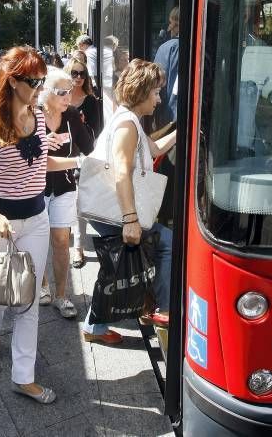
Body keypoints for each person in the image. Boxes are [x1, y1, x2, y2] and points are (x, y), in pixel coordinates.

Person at [0, 46, 80, 404]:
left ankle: (23, 377)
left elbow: (40, 164)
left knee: (26, 302)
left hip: (37, 219)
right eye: (34, 80)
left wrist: (79, 161)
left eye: (43, 79)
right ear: (12, 80)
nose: (40, 87)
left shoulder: (38, 117)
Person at [82, 59, 177, 344]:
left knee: (124, 263)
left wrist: (184, 129)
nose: (159, 100)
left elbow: (156, 147)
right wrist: (131, 219)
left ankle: (100, 325)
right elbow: (121, 170)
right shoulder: (127, 125)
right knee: (161, 246)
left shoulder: (129, 118)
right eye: (156, 92)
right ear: (142, 91)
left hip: (112, 207)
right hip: (114, 209)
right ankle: (162, 309)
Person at [38, 67, 94, 318]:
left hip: (64, 186)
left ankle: (62, 295)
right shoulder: (32, 114)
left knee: (61, 241)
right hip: (34, 188)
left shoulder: (72, 115)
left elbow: (88, 147)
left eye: (69, 91)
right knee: (36, 242)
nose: (68, 97)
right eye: (62, 92)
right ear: (45, 92)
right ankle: (42, 286)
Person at [64, 57, 101, 269]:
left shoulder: (91, 101)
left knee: (79, 202)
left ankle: (77, 247)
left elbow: (95, 132)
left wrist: (83, 129)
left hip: (81, 156)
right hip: (59, 155)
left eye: (82, 74)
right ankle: (63, 232)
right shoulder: (59, 97)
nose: (78, 77)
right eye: (74, 73)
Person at [153, 6, 180, 129]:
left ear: (174, 24)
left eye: (170, 22)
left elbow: (156, 84)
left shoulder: (167, 48)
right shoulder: (204, 47)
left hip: (169, 118)